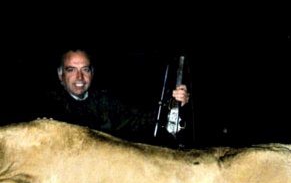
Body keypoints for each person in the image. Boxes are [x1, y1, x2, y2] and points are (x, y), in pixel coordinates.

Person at [38, 49, 192, 148]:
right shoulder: (47, 105)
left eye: (85, 69)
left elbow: (143, 120)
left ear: (92, 73)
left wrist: (174, 105)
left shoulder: (106, 102)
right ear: (60, 75)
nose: (80, 77)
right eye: (71, 70)